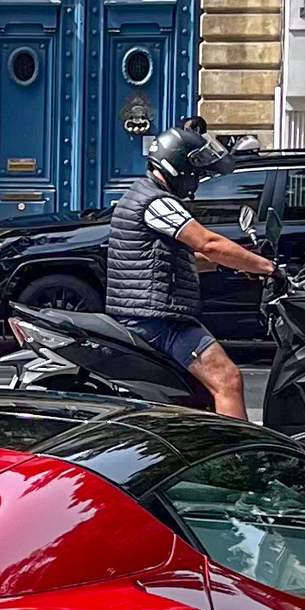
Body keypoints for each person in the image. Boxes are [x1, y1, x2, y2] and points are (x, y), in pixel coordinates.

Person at [106, 126, 275, 416]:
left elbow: (170, 260)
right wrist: (269, 268)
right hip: (158, 320)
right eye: (195, 174)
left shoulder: (141, 194)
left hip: (144, 312)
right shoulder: (157, 202)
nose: (196, 182)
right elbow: (208, 244)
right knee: (227, 379)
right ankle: (239, 459)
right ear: (179, 166)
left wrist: (236, 265)